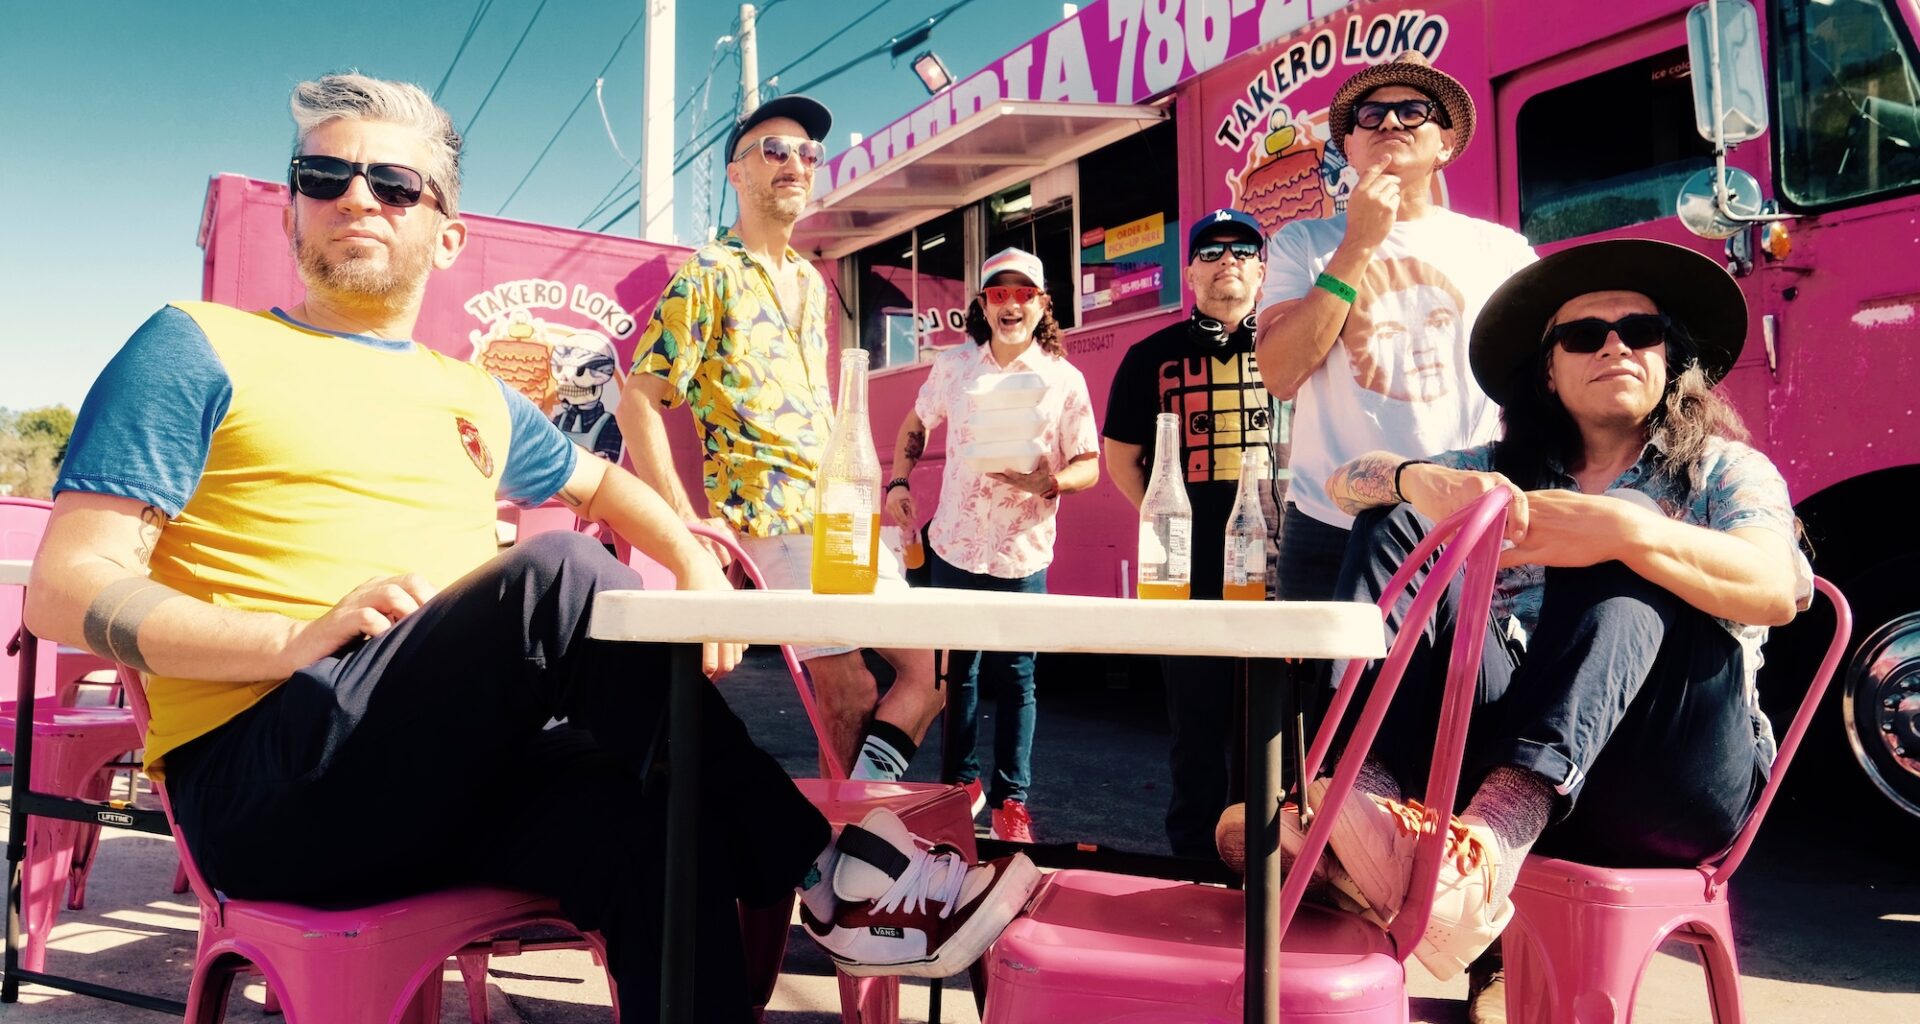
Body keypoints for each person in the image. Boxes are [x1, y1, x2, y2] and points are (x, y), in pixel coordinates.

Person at [22, 73, 1038, 1022]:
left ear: (448, 233)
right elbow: (66, 590)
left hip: (437, 778)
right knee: (559, 574)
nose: (356, 199)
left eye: (393, 182)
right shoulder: (198, 344)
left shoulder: (471, 392)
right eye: (324, 176)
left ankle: (809, 881)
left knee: (653, 820)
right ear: (293, 207)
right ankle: (829, 874)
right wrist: (290, 638)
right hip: (269, 781)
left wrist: (688, 558)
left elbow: (607, 483)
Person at [1303, 238, 1809, 991]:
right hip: (1512, 745)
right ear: (1548, 369)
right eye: (1583, 336)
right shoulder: (1499, 468)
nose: (1615, 347)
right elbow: (1346, 485)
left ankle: (1483, 848)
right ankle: (1359, 806)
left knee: (1631, 541)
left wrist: (1630, 531)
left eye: (1640, 332)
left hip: (1671, 780)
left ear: (1669, 357)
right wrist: (1414, 479)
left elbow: (1778, 585)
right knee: (1396, 519)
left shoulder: (1723, 469)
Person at [617, 95, 942, 783]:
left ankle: (852, 844)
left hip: (838, 515)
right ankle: (856, 848)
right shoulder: (709, 273)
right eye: (774, 150)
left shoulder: (812, 281)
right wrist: (686, 525)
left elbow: (822, 411)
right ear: (736, 174)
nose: (795, 163)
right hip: (769, 510)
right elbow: (638, 402)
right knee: (849, 688)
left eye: (808, 153)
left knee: (931, 671)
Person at [1254, 50, 1536, 606]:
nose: (1389, 122)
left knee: (1463, 693)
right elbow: (1281, 372)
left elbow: (1541, 385)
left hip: (1459, 519)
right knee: (1328, 696)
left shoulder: (1502, 253)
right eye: (1370, 114)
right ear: (1349, 148)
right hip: (1327, 528)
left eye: (1414, 110)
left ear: (1446, 144)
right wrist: (1358, 241)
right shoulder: (1302, 244)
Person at [884, 247, 1101, 843]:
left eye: (1023, 293)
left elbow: (1089, 464)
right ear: (982, 305)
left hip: (1022, 550)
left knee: (1018, 677)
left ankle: (1012, 801)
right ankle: (958, 788)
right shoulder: (954, 367)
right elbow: (915, 424)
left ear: (1042, 304)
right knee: (959, 673)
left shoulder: (1063, 378)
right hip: (955, 543)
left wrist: (1050, 481)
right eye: (998, 294)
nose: (1010, 304)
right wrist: (899, 481)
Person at [1102, 209, 1280, 860]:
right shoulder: (1151, 357)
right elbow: (1122, 460)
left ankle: (1269, 865)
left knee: (1275, 723)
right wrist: (1168, 520)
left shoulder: (1291, 346)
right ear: (1190, 272)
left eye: (1242, 250)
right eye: (1210, 251)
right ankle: (1196, 866)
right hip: (1186, 569)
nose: (1226, 260)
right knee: (1197, 725)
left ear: (1263, 270)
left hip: (1279, 566)